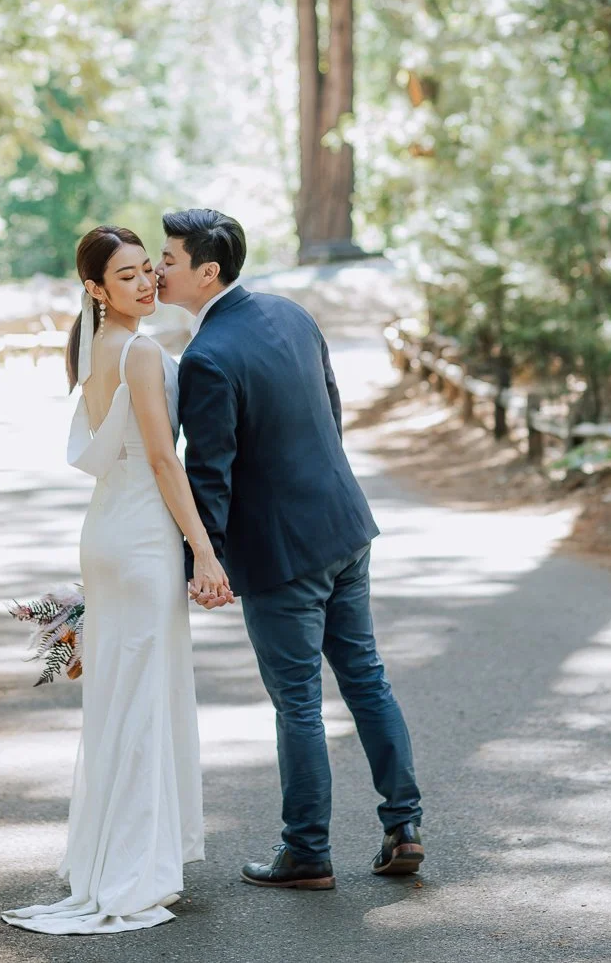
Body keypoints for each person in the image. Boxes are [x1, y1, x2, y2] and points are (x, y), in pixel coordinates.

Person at [156, 208, 423, 891]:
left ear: (207, 271)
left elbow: (208, 474)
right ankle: (405, 826)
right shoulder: (291, 314)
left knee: (299, 701)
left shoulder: (208, 359)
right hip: (343, 527)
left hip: (280, 552)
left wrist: (202, 561)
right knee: (365, 678)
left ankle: (306, 851)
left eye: (169, 259)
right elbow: (331, 413)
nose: (159, 269)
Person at [1, 225, 231, 935]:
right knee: (141, 699)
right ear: (96, 289)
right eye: (125, 276)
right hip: (139, 542)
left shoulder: (96, 346)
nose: (144, 283)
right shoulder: (137, 350)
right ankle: (131, 870)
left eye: (146, 270)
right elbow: (164, 461)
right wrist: (205, 552)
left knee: (121, 697)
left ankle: (119, 857)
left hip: (109, 530)